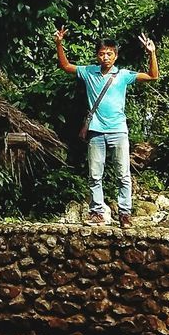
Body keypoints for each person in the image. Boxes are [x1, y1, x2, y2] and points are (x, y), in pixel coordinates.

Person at [55, 28, 159, 226]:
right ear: (97, 55)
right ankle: (97, 213)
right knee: (95, 175)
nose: (105, 57)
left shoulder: (123, 75)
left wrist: (151, 53)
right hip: (95, 131)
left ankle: (125, 214)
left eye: (109, 53)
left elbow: (153, 76)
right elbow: (66, 66)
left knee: (123, 175)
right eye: (102, 53)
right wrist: (59, 44)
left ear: (116, 55)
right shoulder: (88, 72)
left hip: (119, 131)